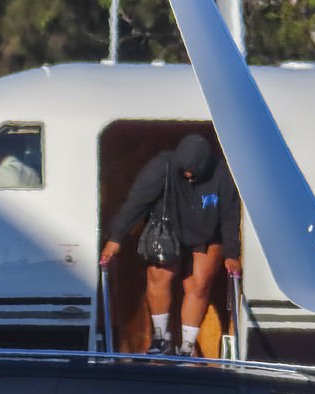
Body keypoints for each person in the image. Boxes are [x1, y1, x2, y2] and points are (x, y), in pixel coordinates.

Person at [100, 133, 241, 356]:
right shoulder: (161, 167)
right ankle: (160, 337)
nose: (188, 176)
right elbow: (136, 203)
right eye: (184, 172)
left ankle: (187, 344)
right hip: (167, 228)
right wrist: (116, 238)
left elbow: (231, 216)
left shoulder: (222, 174)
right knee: (160, 276)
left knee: (199, 284)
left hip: (206, 231)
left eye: (193, 174)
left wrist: (232, 254)